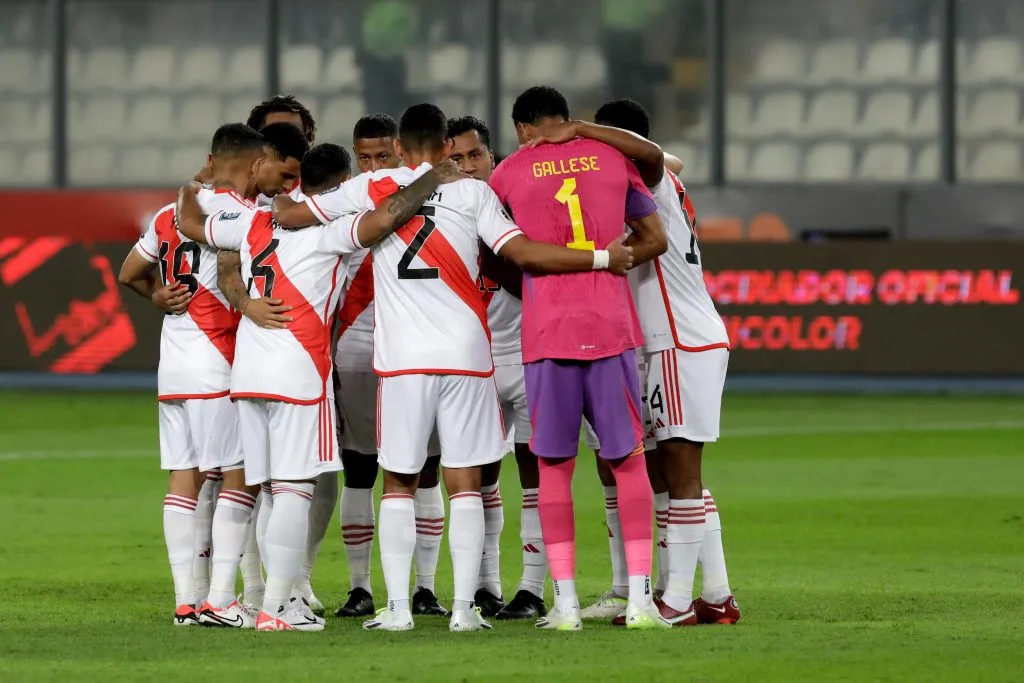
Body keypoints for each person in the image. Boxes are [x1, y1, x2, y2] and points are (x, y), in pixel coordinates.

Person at [272, 103, 634, 633]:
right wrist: (601, 258)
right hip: (467, 356)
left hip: (402, 363)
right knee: (466, 481)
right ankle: (465, 611)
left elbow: (288, 214)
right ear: (446, 148)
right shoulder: (474, 191)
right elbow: (526, 254)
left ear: (397, 148)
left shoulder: (371, 188)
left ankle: (396, 610)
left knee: (398, 480)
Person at [172, 143, 461, 632]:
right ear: (332, 190)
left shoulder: (253, 223)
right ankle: (275, 609)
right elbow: (386, 218)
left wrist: (189, 187)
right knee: (293, 489)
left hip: (247, 371)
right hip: (299, 372)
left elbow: (190, 225)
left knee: (264, 489)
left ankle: (262, 598)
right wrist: (432, 178)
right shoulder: (328, 233)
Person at [488, 86, 668, 631]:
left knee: (553, 467)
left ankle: (563, 605)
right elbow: (653, 237)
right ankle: (640, 600)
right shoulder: (613, 157)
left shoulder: (509, 173)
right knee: (628, 460)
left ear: (522, 128)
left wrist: (541, 281)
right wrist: (609, 262)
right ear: (566, 119)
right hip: (611, 328)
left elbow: (496, 253)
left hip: (546, 333)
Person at [590, 99, 739, 625]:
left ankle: (676, 601)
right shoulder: (655, 183)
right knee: (666, 471)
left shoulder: (648, 182)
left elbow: (654, 157)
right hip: (668, 341)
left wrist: (578, 129)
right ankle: (717, 596)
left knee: (679, 471)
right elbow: (665, 158)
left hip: (677, 340)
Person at [116, 123, 267, 627]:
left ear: (211, 158)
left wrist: (157, 295)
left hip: (173, 367)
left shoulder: (165, 215)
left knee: (185, 479)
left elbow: (127, 273)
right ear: (254, 164)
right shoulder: (246, 217)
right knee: (239, 477)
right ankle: (222, 599)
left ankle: (186, 601)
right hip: (218, 362)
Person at [330, 114, 449, 620]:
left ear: (398, 151)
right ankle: (361, 587)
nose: (374, 165)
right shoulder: (356, 198)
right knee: (361, 469)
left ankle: (423, 588)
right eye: (365, 157)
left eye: (382, 156)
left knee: (423, 471)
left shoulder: (376, 194)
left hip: (409, 345)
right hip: (367, 344)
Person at [447, 114, 543, 620]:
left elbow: (532, 275)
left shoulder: (517, 207)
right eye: (455, 158)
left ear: (493, 157)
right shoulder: (437, 214)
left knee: (534, 475)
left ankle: (532, 588)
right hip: (471, 367)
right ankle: (486, 585)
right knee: (479, 478)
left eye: (475, 156)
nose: (467, 167)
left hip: (528, 358)